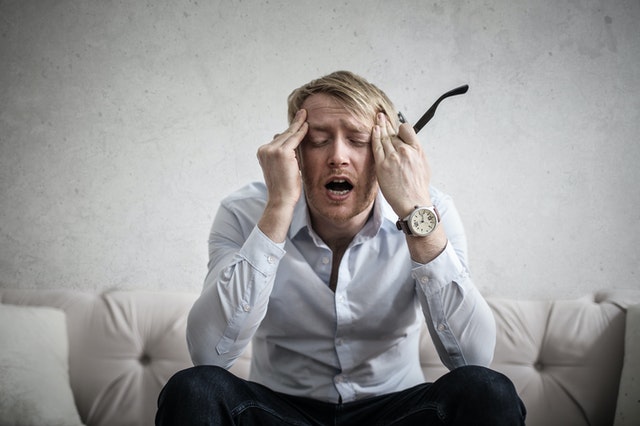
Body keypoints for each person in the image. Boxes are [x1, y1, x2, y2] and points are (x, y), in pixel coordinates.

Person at [156, 70, 526, 425]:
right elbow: (207, 355)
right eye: (317, 140)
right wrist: (278, 209)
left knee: (487, 390)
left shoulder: (432, 212)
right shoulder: (243, 212)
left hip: (397, 413)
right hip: (280, 412)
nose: (337, 156)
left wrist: (416, 213)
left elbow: (474, 359)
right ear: (295, 153)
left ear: (387, 153)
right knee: (195, 389)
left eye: (359, 140)